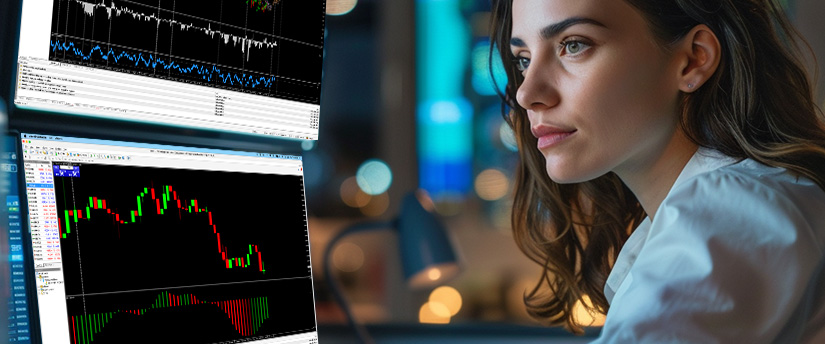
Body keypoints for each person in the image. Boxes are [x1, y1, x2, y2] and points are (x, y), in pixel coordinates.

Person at [489, 0, 825, 342]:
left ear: (693, 59)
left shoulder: (730, 213)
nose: (527, 94)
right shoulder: (746, 202)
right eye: (524, 60)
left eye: (573, 45)